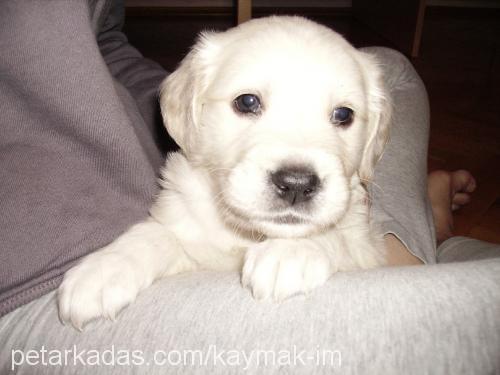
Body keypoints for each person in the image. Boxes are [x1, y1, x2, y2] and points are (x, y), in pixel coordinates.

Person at [0, 1, 499, 374]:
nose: (298, 176)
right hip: (33, 280)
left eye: (342, 115)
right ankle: (422, 236)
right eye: (248, 104)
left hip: (315, 208)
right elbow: (169, 236)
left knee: (390, 68)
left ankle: (419, 231)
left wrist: (325, 239)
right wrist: (137, 251)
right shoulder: (186, 189)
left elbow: (103, 45)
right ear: (188, 111)